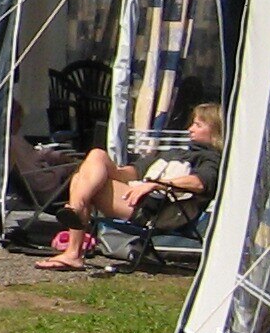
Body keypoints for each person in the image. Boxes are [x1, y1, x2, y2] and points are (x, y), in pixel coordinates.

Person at [35, 103, 223, 272]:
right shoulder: (177, 152)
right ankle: (76, 214)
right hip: (138, 195)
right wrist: (102, 167)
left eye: (198, 125)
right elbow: (133, 172)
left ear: (215, 131)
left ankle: (74, 233)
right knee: (96, 156)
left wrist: (154, 185)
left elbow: (199, 183)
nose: (190, 129)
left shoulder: (210, 159)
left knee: (82, 182)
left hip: (156, 210)